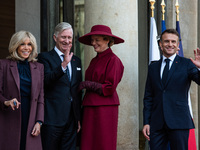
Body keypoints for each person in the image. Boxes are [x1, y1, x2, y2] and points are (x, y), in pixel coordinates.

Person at [142, 28, 200, 150]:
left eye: (173, 42)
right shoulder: (153, 67)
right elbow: (148, 96)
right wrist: (146, 122)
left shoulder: (187, 64)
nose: (170, 44)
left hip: (179, 121)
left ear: (178, 45)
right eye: (166, 41)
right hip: (156, 123)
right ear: (160, 44)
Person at [78, 24, 124, 150]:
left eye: (97, 40)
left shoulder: (113, 60)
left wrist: (87, 84)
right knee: (88, 144)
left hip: (105, 108)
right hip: (89, 107)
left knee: (104, 144)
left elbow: (109, 88)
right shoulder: (94, 60)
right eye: (92, 40)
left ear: (107, 40)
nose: (93, 43)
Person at [38, 22, 82, 150]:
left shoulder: (76, 60)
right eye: (63, 37)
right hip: (52, 119)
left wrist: (78, 118)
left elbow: (77, 91)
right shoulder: (44, 58)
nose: (67, 41)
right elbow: (45, 81)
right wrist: (63, 65)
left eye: (69, 37)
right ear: (55, 37)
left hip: (71, 121)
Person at [0, 30, 44, 150]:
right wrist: (6, 102)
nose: (26, 48)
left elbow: (41, 97)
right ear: (15, 46)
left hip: (31, 115)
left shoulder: (39, 67)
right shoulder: (3, 65)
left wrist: (39, 122)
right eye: (22, 44)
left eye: (29, 44)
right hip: (10, 116)